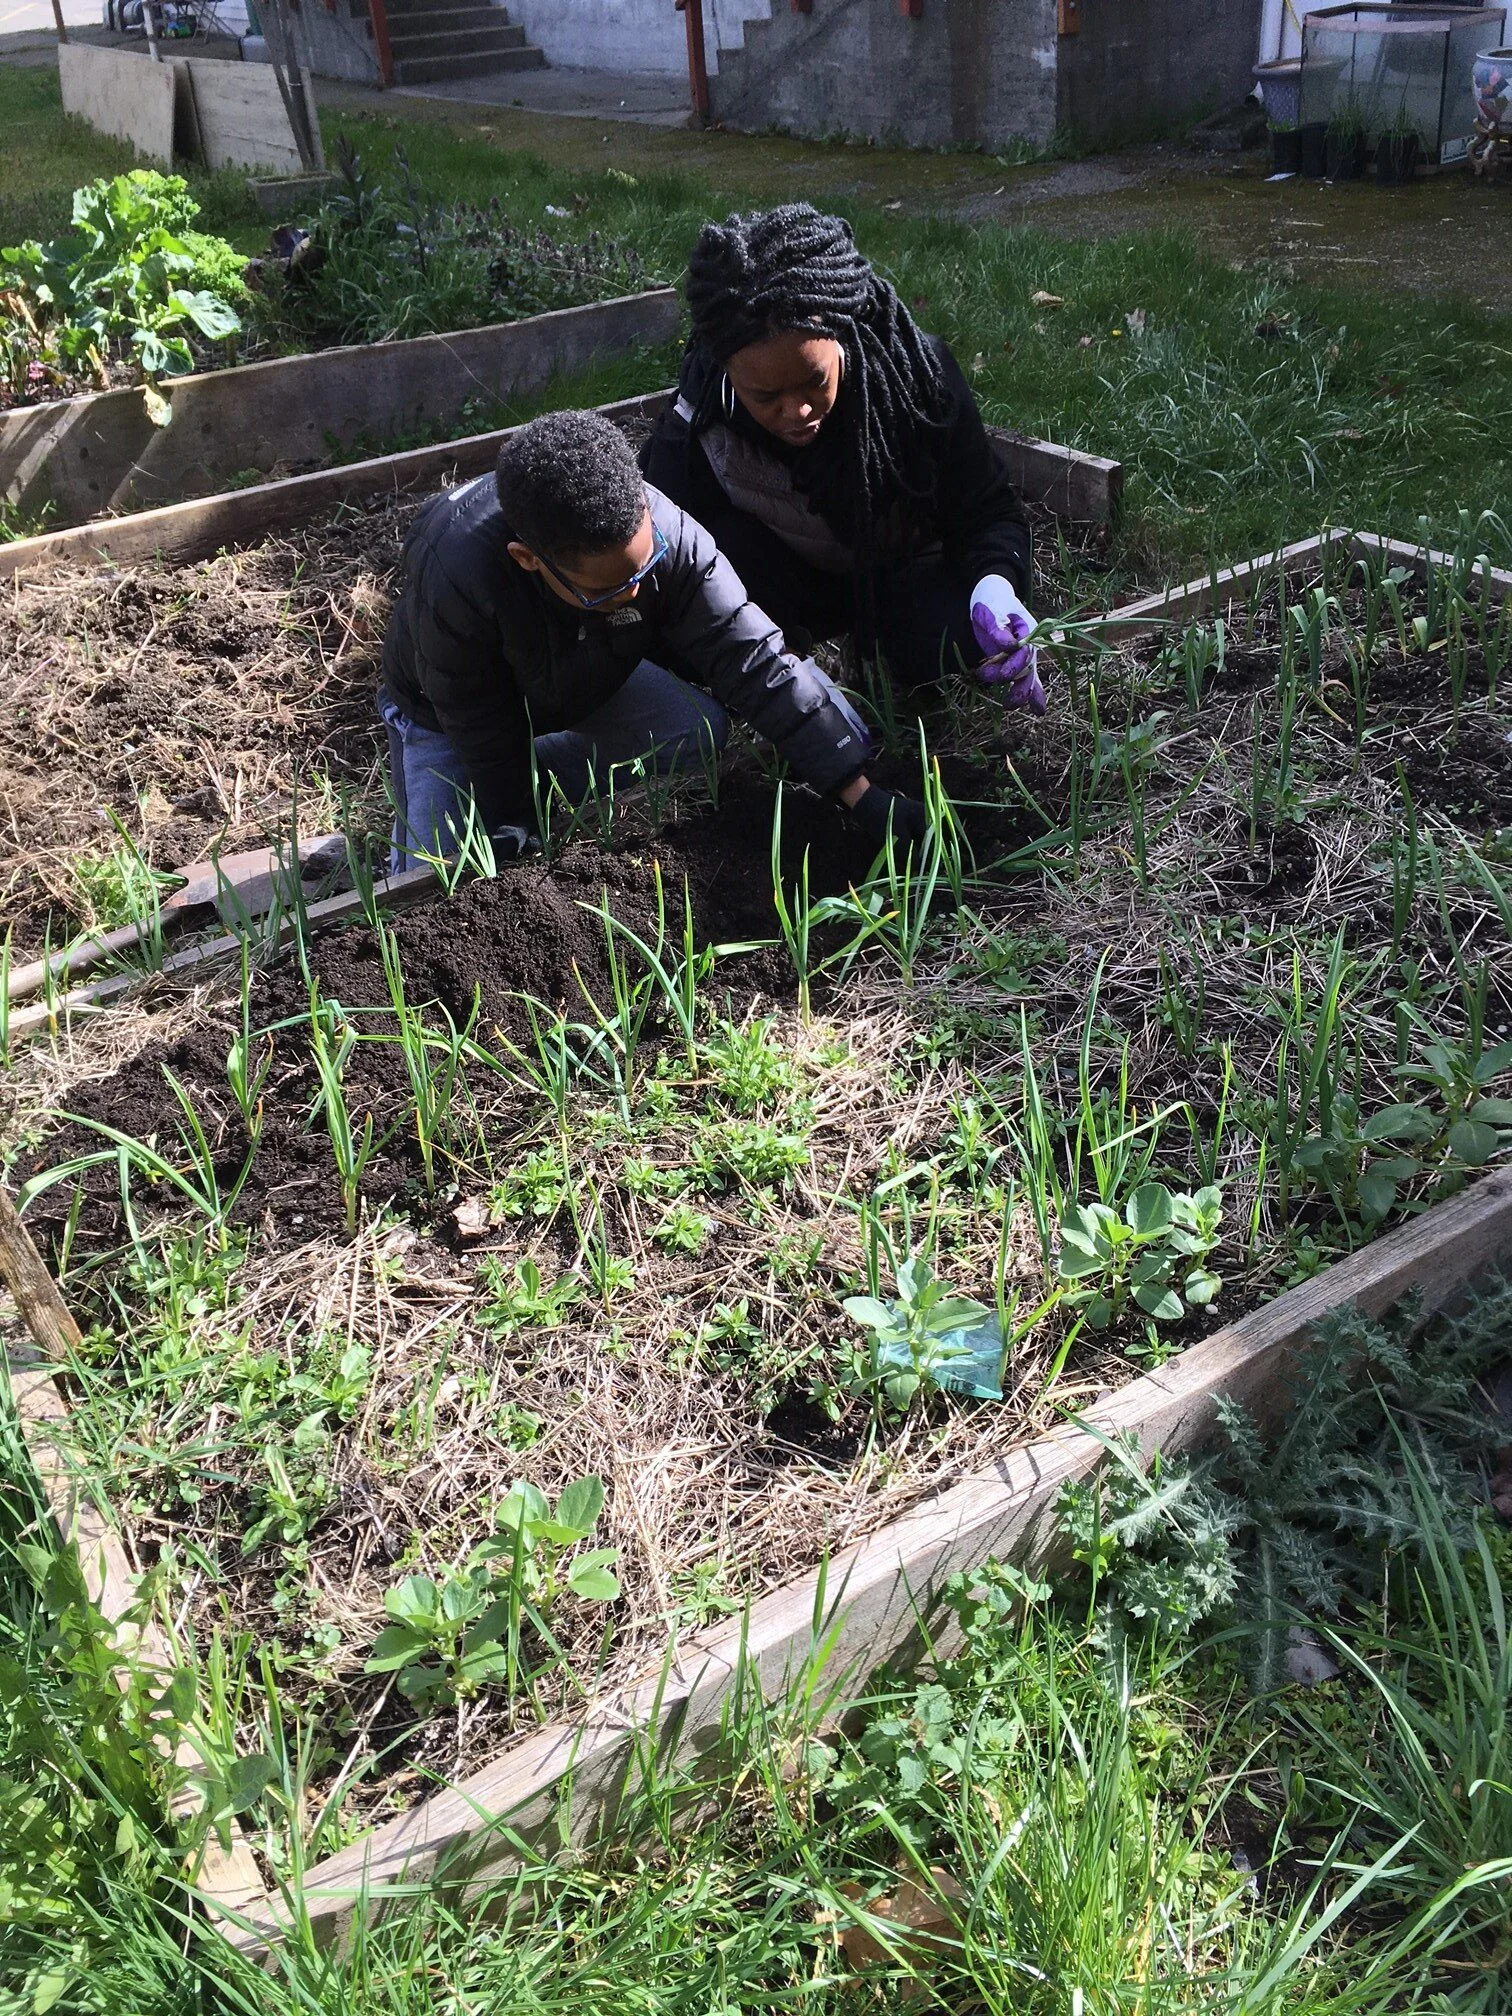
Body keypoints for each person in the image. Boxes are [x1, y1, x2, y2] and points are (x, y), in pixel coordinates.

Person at [378, 408, 925, 871]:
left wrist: (857, 789)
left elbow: (749, 653)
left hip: (583, 670)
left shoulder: (667, 535)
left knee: (694, 733)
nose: (638, 593)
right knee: (443, 874)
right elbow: (476, 720)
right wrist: (512, 821)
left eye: (646, 569)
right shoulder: (457, 579)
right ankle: (475, 792)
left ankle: (529, 771)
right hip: (445, 719)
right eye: (612, 589)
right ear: (529, 561)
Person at [640, 203, 1043, 710]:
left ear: (842, 332)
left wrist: (996, 584)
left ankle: (884, 646)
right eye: (766, 396)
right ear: (727, 370)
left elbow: (989, 511)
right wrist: (776, 662)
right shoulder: (701, 417)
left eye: (816, 380)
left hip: (898, 572)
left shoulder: (915, 382)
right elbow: (665, 557)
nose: (798, 411)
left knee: (951, 641)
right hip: (783, 582)